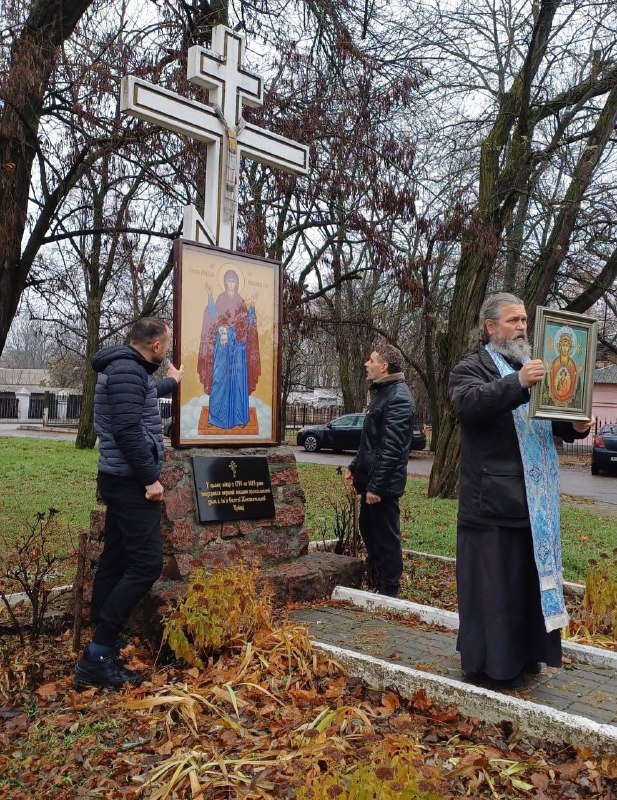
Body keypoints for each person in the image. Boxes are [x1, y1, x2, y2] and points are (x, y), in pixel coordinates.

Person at [449, 293, 592, 690]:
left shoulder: (534, 368)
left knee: (524, 587)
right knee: (495, 591)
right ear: (490, 326)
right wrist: (517, 383)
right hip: (491, 500)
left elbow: (550, 420)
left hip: (534, 500)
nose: (522, 327)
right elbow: (469, 405)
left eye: (525, 320)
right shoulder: (471, 367)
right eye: (512, 320)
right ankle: (493, 667)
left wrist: (575, 426)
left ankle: (529, 656)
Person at [74, 318, 183, 690]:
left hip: (120, 478)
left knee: (116, 558)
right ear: (154, 345)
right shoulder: (125, 370)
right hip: (129, 481)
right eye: (165, 344)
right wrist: (150, 479)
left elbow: (145, 395)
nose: (166, 350)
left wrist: (174, 382)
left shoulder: (128, 369)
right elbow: (126, 429)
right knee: (146, 563)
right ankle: (98, 654)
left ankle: (101, 642)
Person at [345, 343, 415, 597]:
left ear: (383, 367)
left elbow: (393, 448)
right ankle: (377, 584)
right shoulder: (383, 393)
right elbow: (372, 442)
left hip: (381, 488)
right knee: (370, 531)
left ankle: (389, 592)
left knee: (385, 539)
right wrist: (355, 466)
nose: (366, 364)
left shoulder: (398, 397)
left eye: (371, 360)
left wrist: (378, 486)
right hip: (371, 482)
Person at [197, 269, 261, 429]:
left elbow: (248, 322)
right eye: (229, 281)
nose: (231, 284)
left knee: (238, 380)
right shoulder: (220, 299)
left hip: (238, 346)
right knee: (219, 377)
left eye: (234, 281)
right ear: (225, 282)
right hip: (223, 342)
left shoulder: (240, 301)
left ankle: (238, 418)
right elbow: (213, 316)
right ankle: (217, 417)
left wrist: (252, 304)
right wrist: (210, 296)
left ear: (237, 283)